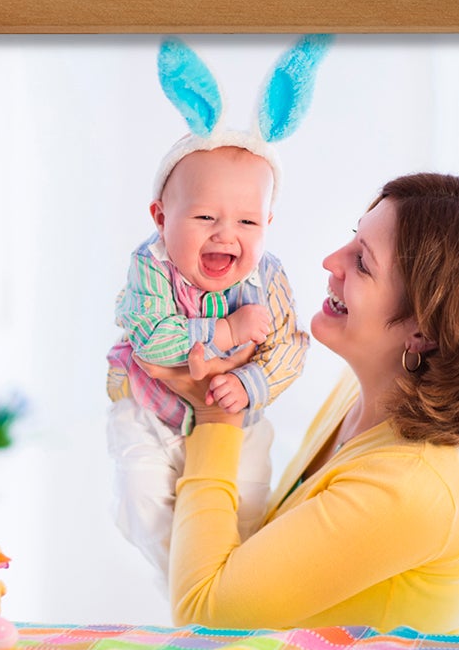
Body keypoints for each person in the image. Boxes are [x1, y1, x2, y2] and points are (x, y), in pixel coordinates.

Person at [168, 172, 459, 634]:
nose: (331, 261)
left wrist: (215, 417)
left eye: (363, 263)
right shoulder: (364, 393)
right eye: (353, 238)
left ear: (424, 332)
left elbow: (204, 616)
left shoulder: (416, 485)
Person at [104, 38, 325, 580]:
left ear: (268, 224)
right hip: (150, 412)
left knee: (246, 510)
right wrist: (227, 329)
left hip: (237, 423)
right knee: (142, 499)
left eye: (248, 222)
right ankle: (187, 587)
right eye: (205, 218)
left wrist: (249, 382)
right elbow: (154, 340)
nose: (227, 234)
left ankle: (223, 590)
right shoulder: (150, 267)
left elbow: (289, 349)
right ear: (161, 216)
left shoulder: (267, 276)